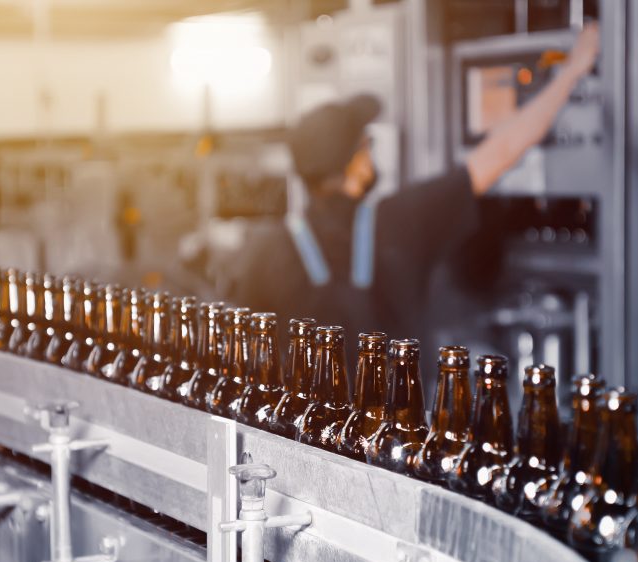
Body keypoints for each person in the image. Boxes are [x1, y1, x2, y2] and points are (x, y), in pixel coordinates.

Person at [234, 23, 600, 341]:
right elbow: (500, 151)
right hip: (395, 421)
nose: (372, 154)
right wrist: (571, 72)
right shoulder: (399, 222)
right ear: (354, 166)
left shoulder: (265, 252)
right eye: (367, 145)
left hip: (294, 423)